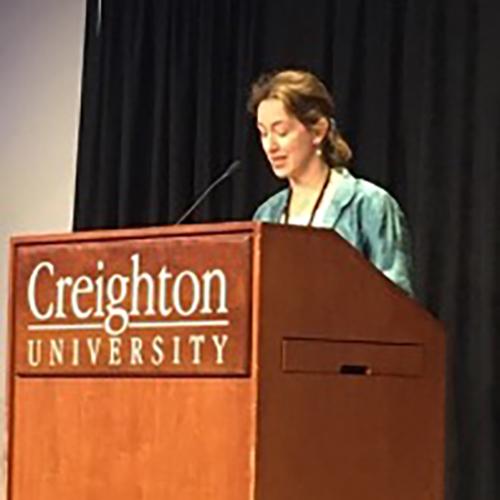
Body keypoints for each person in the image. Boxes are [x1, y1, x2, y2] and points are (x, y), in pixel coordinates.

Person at [248, 69, 414, 296]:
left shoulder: (368, 205)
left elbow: (397, 304)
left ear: (318, 131)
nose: (270, 146)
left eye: (281, 131)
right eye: (263, 133)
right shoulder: (266, 215)